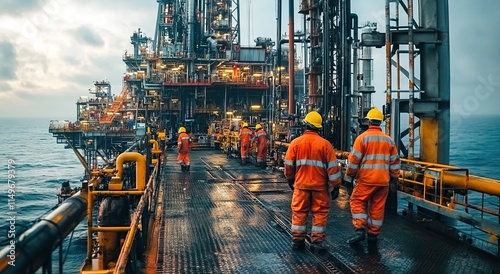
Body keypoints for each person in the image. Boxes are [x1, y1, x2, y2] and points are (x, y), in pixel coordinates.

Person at [284, 111, 342, 251]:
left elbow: (288, 165)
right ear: (319, 127)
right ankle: (317, 242)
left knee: (299, 212)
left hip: (301, 186)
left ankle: (297, 241)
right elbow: (333, 169)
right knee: (320, 213)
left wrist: (290, 179)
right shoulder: (326, 145)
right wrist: (336, 186)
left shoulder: (295, 143)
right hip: (320, 188)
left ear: (305, 125)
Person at [346, 107, 401, 244]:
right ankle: (373, 234)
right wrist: (394, 178)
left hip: (366, 180)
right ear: (380, 122)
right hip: (383, 181)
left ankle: (360, 229)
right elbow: (395, 163)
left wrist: (349, 176)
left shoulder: (362, 139)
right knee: (377, 207)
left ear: (369, 122)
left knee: (357, 201)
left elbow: (353, 161)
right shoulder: (389, 141)